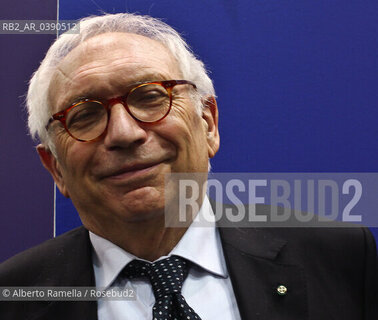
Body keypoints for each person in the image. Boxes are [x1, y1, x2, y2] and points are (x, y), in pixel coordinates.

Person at [0, 13, 376, 320]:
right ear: (56, 169)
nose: (124, 133)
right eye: (84, 115)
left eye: (150, 97)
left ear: (208, 123)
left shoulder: (338, 257)